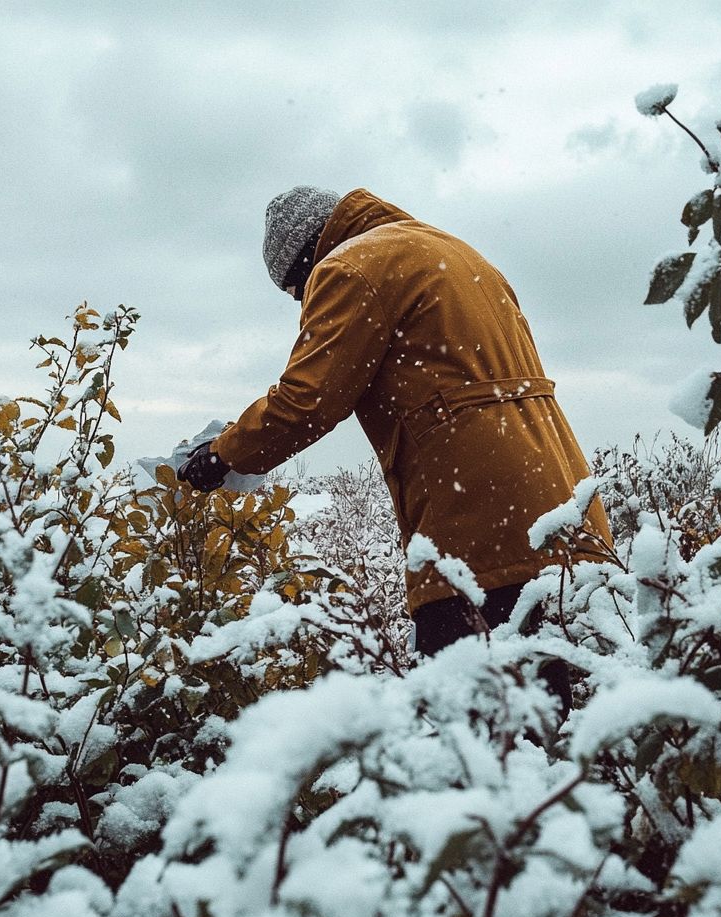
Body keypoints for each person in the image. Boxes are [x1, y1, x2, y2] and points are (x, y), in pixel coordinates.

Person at [178, 186, 612, 701]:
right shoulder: (456, 252)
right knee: (541, 700)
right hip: (558, 495)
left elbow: (308, 400)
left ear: (307, 257)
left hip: (475, 515)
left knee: (462, 717)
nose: (302, 300)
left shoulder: (351, 268)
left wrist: (221, 455)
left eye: (297, 290)